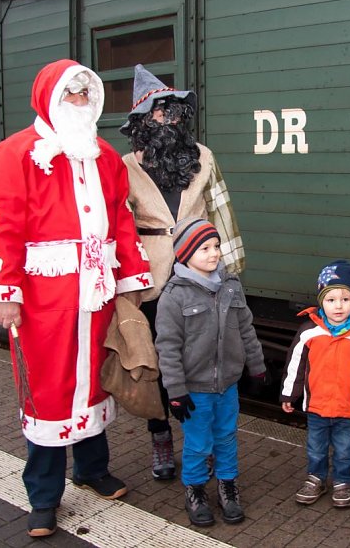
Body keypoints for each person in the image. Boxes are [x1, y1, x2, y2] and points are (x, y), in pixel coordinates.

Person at [0, 59, 153, 538]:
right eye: (70, 94)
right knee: (48, 391)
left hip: (97, 293)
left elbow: (121, 218)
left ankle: (91, 469)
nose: (79, 102)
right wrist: (3, 291)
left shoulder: (105, 156)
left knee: (95, 381)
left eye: (85, 94)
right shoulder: (17, 153)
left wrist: (131, 278)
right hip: (42, 297)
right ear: (48, 97)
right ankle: (44, 496)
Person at [121, 64, 245, 481]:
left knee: (205, 360)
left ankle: (203, 441)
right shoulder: (124, 167)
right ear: (143, 120)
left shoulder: (203, 157)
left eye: (174, 111)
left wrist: (230, 272)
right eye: (160, 111)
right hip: (150, 277)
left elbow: (221, 211)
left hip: (202, 274)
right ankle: (159, 436)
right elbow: (120, 225)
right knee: (158, 362)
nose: (169, 118)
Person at [154, 217, 266, 526]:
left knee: (227, 437)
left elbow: (246, 328)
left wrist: (256, 365)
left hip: (227, 385)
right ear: (185, 253)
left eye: (216, 246)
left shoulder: (231, 287)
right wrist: (175, 390)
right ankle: (196, 488)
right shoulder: (174, 296)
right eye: (205, 248)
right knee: (198, 442)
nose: (214, 253)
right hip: (195, 390)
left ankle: (228, 486)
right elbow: (168, 347)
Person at [279, 260, 350, 509]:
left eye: (345, 299)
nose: (338, 306)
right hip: (316, 406)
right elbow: (295, 365)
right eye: (331, 300)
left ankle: (342, 481)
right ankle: (316, 478)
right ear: (321, 302)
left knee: (345, 450)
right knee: (315, 449)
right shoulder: (309, 332)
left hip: (348, 409)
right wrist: (288, 395)